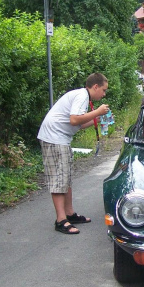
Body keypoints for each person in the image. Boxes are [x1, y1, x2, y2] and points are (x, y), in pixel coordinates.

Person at [37, 73, 109, 234]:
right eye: (103, 90)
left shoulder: (82, 97)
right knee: (59, 179)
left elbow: (80, 123)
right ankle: (61, 220)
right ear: (95, 87)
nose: (104, 94)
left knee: (66, 178)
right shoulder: (82, 96)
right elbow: (74, 119)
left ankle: (69, 214)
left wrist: (98, 119)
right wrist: (97, 112)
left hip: (60, 138)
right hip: (54, 138)